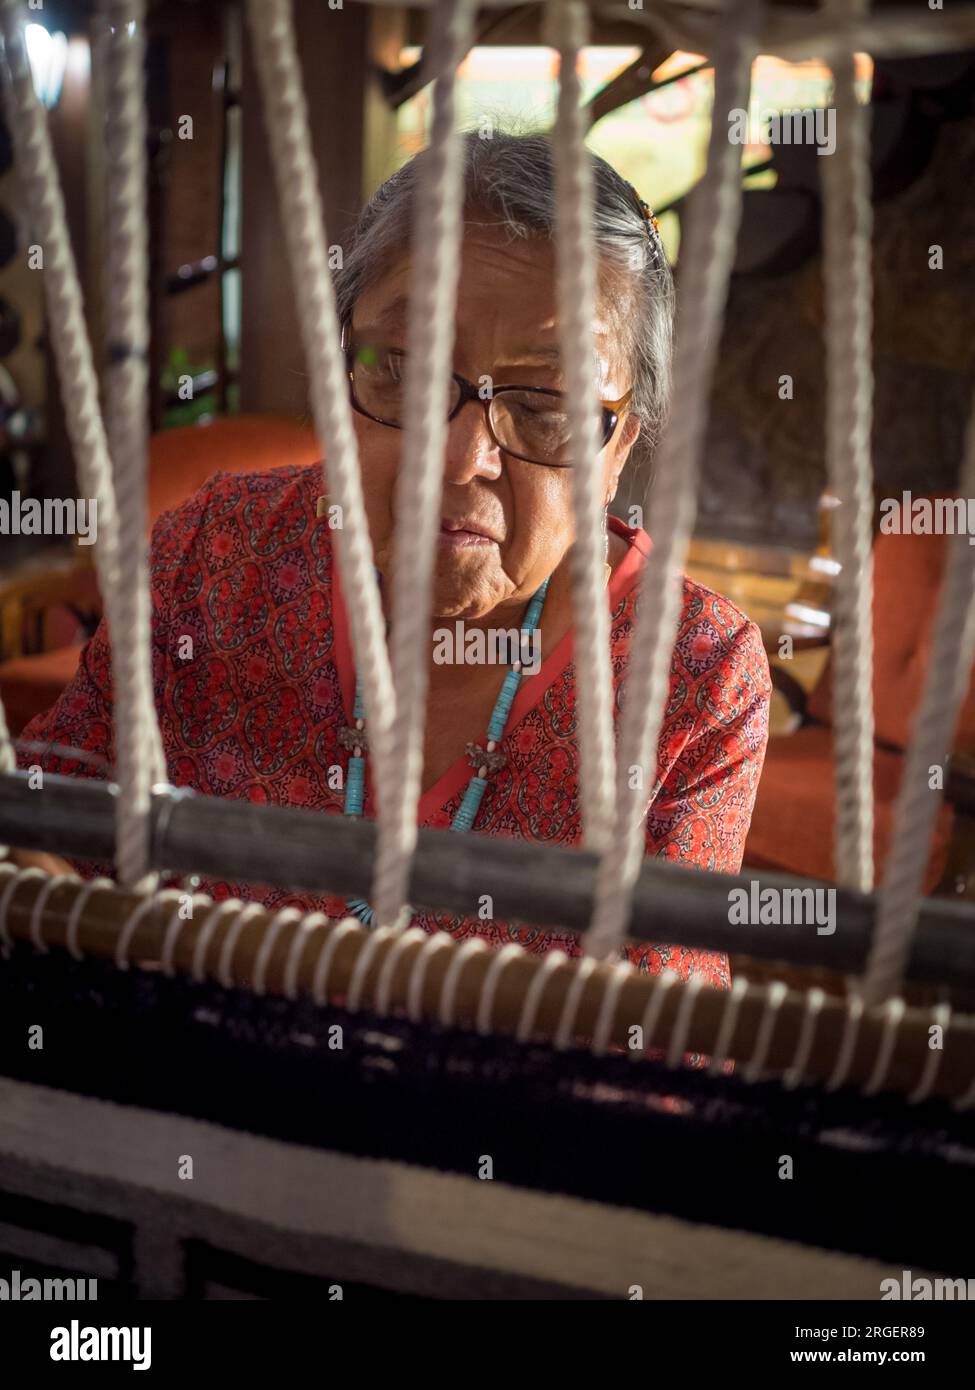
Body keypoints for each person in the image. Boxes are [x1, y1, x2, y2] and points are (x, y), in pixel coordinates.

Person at [12, 131, 771, 984]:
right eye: (402, 372)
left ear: (619, 446)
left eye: (546, 404)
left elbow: (658, 1044)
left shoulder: (692, 674)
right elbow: (51, 826)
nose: (456, 461)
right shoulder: (213, 553)